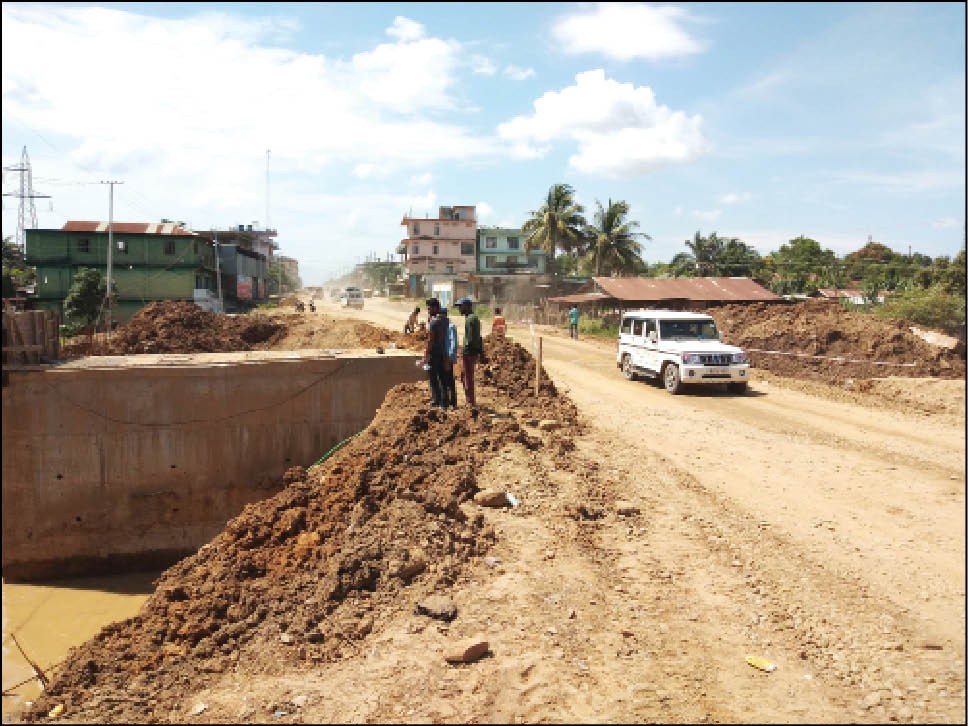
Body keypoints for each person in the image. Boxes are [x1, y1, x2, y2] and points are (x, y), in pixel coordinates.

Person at [455, 296, 484, 408]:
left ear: (467, 307)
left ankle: (470, 402)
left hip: (469, 353)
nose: (459, 309)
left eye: (461, 307)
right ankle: (470, 400)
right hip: (471, 352)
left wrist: (468, 350)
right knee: (465, 376)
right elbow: (478, 337)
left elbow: (472, 338)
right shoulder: (472, 318)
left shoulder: (471, 319)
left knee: (467, 377)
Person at [420, 298, 447, 408]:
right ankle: (444, 402)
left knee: (433, 377)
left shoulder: (434, 322)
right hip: (443, 353)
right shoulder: (445, 321)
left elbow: (430, 340)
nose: (428, 310)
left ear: (435, 308)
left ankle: (436, 400)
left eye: (429, 308)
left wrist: (426, 355)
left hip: (434, 354)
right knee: (442, 378)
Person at [440, 306, 459, 408]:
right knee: (447, 379)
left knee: (448, 380)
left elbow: (453, 343)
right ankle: (451, 400)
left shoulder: (450, 327)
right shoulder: (445, 326)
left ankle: (452, 401)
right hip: (445, 356)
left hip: (448, 357)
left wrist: (449, 357)